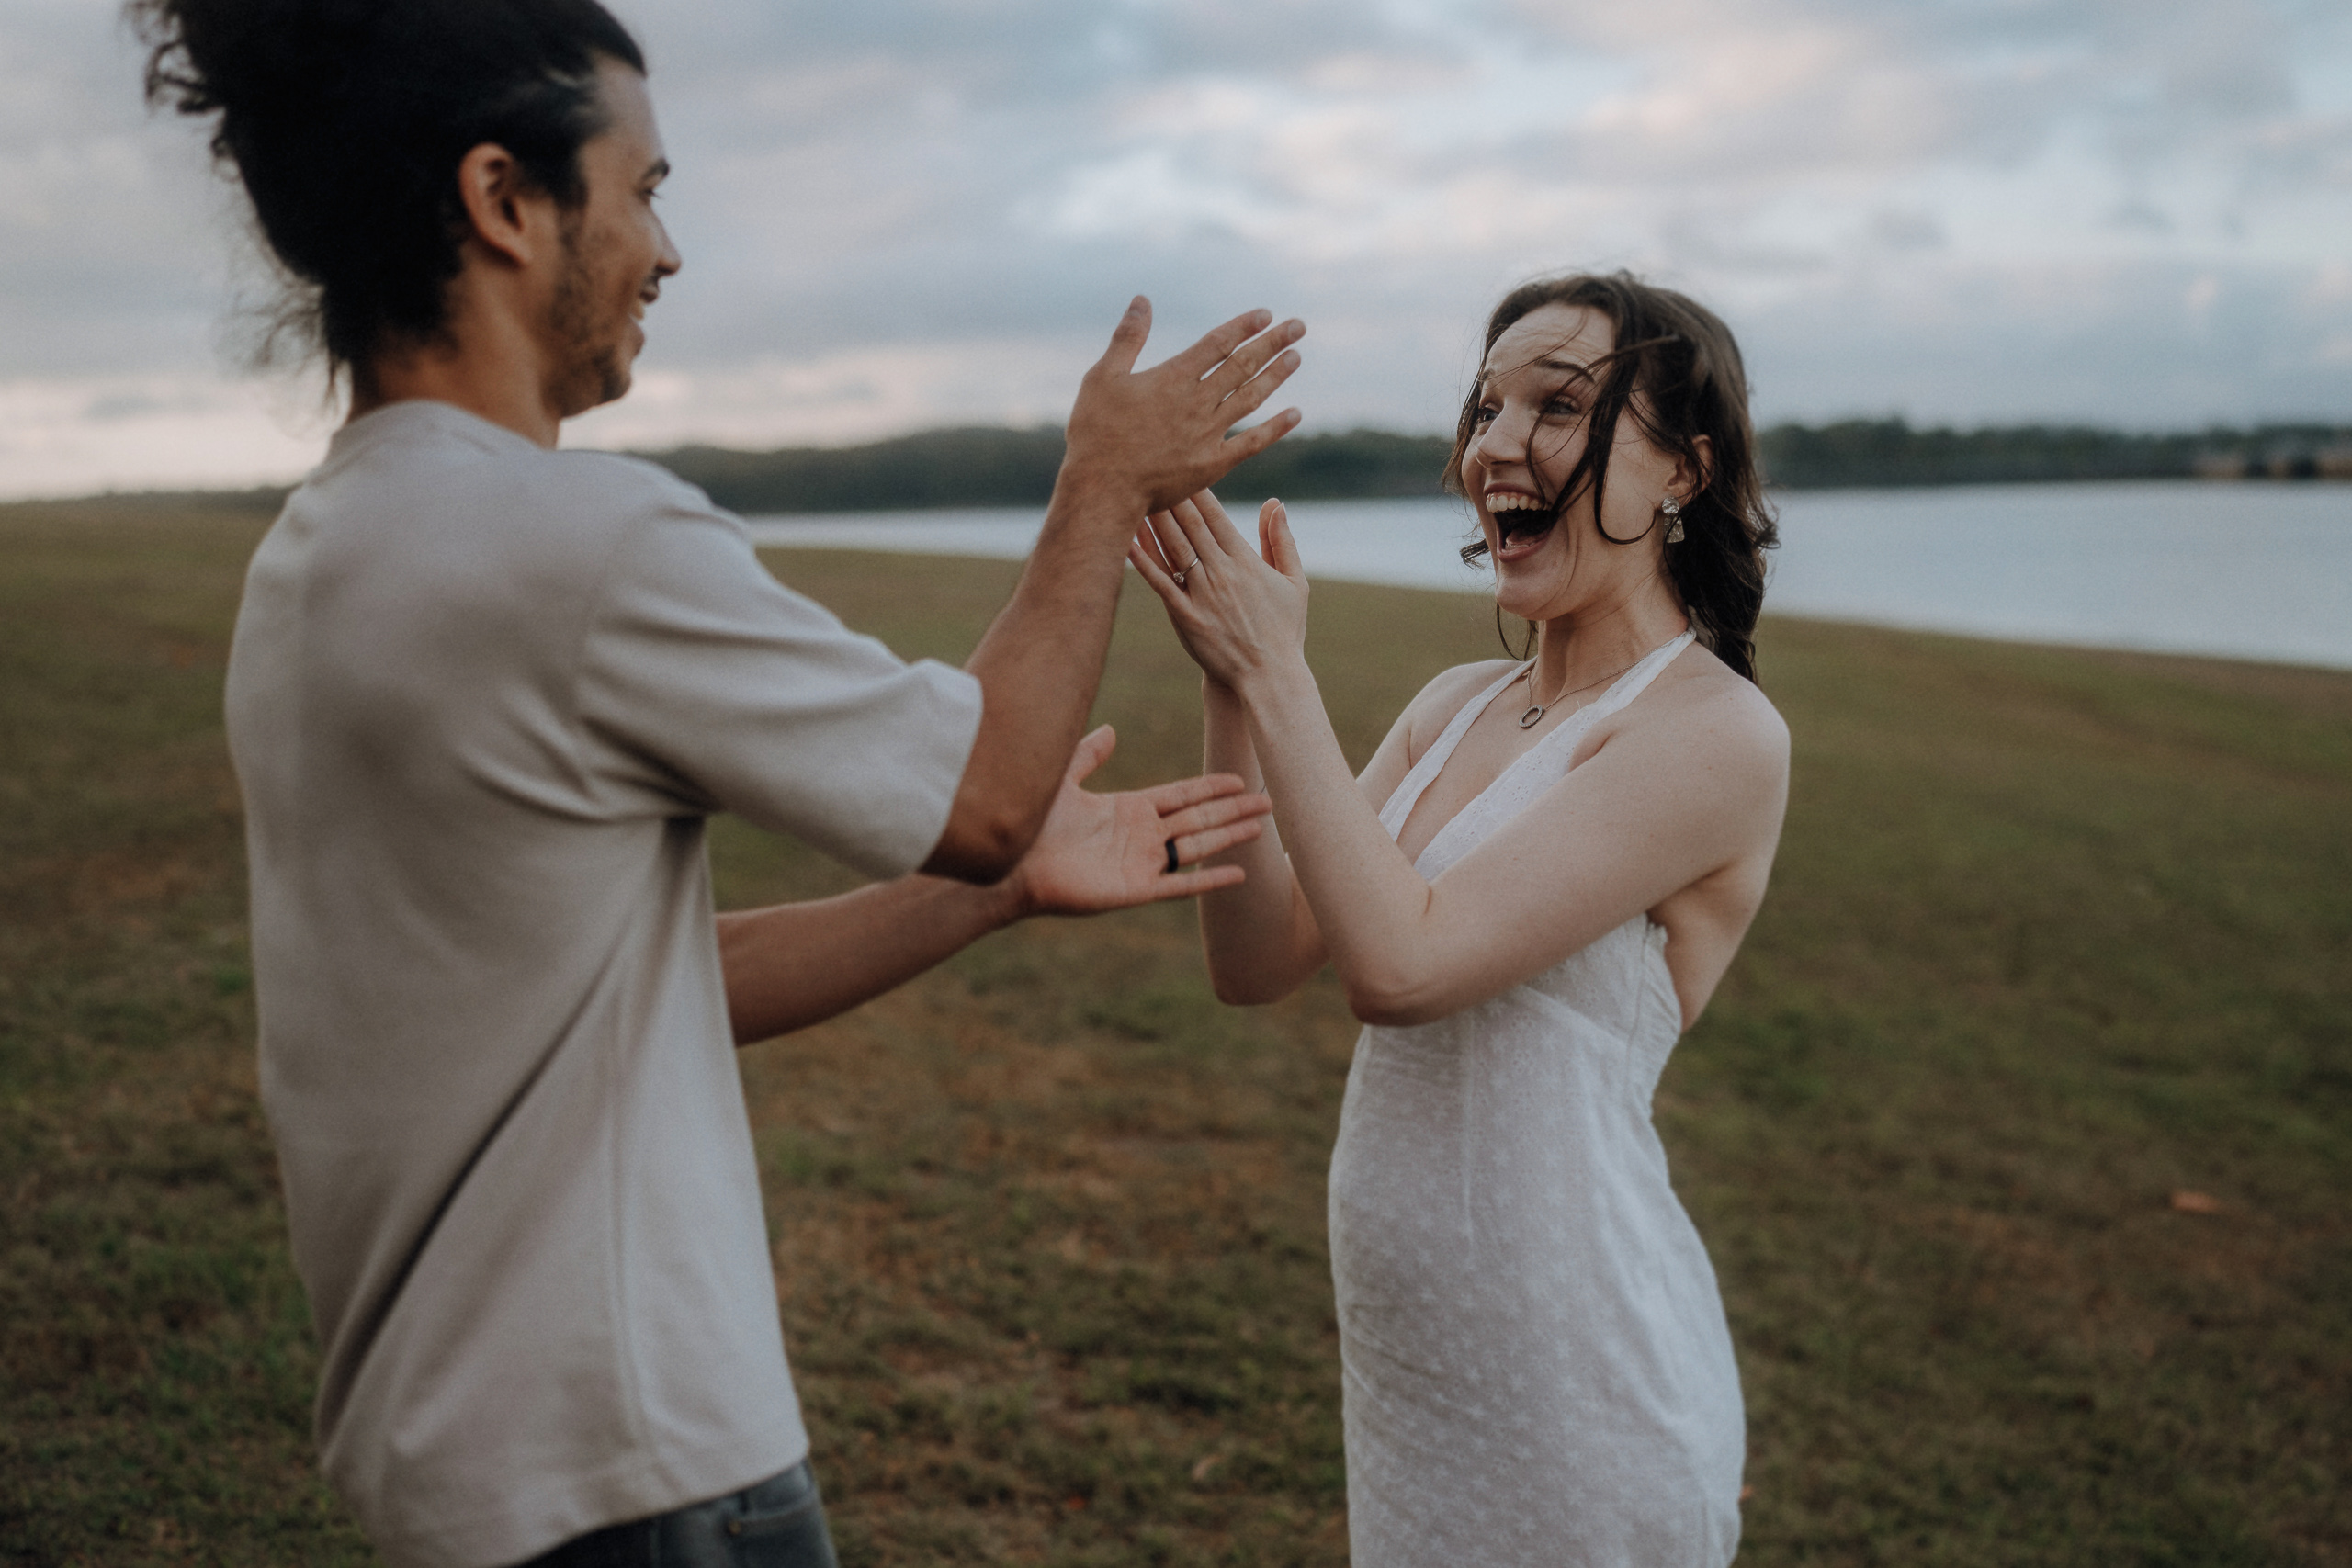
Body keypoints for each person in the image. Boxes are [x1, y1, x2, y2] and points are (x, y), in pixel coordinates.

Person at [132, 1, 1304, 1564]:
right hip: (641, 1471)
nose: (666, 252)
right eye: (644, 189)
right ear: (505, 202)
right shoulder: (577, 547)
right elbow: (991, 786)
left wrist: (999, 895)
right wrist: (1102, 486)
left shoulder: (320, 561)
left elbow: (633, 982)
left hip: (462, 1470)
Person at [1128, 272, 1788, 1566]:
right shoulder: (1451, 706)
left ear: (1684, 473)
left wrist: (1282, 670)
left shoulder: (1716, 735)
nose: (1496, 443)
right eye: (1486, 405)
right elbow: (1260, 960)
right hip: (1414, 1374)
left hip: (1580, 1385)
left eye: (1560, 405)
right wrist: (1233, 687)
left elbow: (1402, 966)